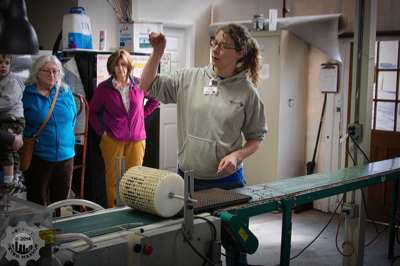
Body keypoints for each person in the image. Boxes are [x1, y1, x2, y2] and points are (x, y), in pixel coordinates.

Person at [141, 23, 267, 266]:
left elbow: (256, 139)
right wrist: (157, 53)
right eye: (214, 43)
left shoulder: (247, 93)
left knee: (235, 246)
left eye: (224, 45)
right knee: (194, 246)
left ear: (240, 53)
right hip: (188, 181)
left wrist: (237, 156)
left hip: (228, 184)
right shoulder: (190, 78)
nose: (216, 49)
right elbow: (147, 84)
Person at [89, 49, 159, 208]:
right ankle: (113, 211)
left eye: (123, 65)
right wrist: (102, 132)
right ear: (111, 68)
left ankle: (133, 209)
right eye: (116, 66)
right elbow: (93, 113)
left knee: (135, 178)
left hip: (137, 139)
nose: (120, 69)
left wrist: (141, 115)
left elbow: (155, 100)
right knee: (114, 179)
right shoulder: (103, 89)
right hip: (112, 139)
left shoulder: (140, 84)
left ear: (128, 66)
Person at [23, 55, 77, 206]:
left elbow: (73, 119)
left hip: (66, 156)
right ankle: (40, 229)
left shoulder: (66, 93)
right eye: (47, 71)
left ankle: (59, 229)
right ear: (37, 73)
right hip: (39, 156)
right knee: (37, 200)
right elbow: (21, 124)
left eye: (56, 71)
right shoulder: (27, 95)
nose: (52, 75)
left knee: (61, 202)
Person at [0, 54, 25, 186]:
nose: (3, 65)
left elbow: (8, 101)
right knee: (11, 149)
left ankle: (9, 181)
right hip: (6, 119)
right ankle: (16, 175)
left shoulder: (12, 81)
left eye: (6, 63)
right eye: (0, 63)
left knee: (6, 147)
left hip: (14, 119)